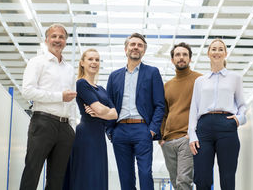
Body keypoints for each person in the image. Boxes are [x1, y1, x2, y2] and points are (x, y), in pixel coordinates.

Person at [20, 23, 77, 190]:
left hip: (65, 128)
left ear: (66, 41)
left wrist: (72, 127)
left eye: (61, 37)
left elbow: (72, 101)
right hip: (43, 122)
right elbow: (27, 91)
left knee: (57, 179)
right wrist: (59, 97)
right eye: (54, 36)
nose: (57, 40)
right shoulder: (37, 62)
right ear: (46, 40)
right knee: (32, 171)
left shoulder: (69, 69)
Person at [106, 33, 165, 190]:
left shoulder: (152, 73)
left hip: (142, 129)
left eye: (140, 45)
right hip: (120, 130)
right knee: (125, 176)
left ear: (144, 51)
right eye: (132, 44)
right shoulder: (114, 76)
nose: (136, 47)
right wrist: (110, 130)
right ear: (126, 49)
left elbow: (160, 105)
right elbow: (108, 104)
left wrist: (152, 130)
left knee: (145, 173)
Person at [188, 38, 246, 190]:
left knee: (227, 177)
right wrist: (192, 135)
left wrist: (238, 120)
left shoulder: (235, 78)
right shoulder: (200, 81)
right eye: (213, 49)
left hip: (227, 125)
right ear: (208, 53)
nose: (217, 52)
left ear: (225, 53)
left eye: (221, 49)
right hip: (204, 128)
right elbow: (194, 107)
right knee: (202, 178)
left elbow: (242, 105)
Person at [63, 49, 118, 190]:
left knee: (97, 175)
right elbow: (103, 110)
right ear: (82, 63)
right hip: (86, 135)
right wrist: (105, 112)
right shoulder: (81, 84)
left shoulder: (101, 89)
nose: (94, 62)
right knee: (86, 175)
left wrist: (101, 113)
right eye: (90, 59)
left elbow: (115, 114)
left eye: (97, 60)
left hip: (99, 136)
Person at [159, 42, 202, 190]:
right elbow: (163, 113)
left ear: (190, 59)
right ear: (172, 60)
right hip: (168, 141)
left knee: (184, 180)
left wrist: (193, 134)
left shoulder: (200, 80)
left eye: (185, 54)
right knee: (176, 182)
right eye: (177, 55)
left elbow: (203, 109)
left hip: (186, 138)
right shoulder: (167, 86)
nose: (181, 57)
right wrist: (162, 137)